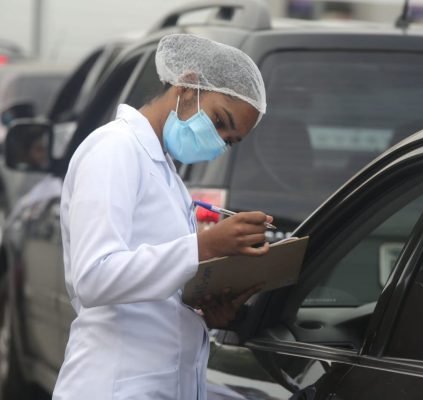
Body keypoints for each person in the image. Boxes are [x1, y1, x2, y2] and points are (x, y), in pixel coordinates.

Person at [53, 34, 270, 400]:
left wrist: (202, 310)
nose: (218, 142)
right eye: (219, 121)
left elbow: (151, 283)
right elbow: (94, 276)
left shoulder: (164, 168)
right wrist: (202, 248)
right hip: (112, 385)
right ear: (187, 85)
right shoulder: (115, 150)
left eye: (229, 140)